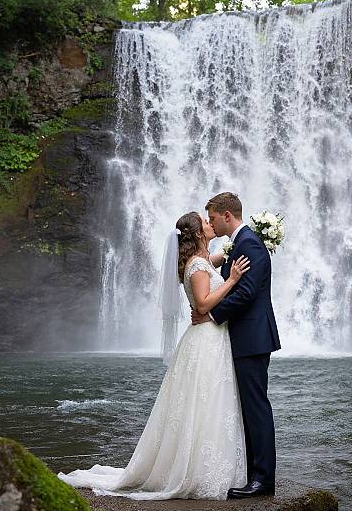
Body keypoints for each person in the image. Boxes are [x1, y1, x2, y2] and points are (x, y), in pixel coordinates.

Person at [58, 211, 250, 500]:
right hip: (206, 338)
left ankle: (203, 465)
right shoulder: (197, 265)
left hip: (209, 339)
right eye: (207, 223)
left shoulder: (199, 261)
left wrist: (239, 245)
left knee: (206, 402)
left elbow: (215, 260)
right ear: (198, 233)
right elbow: (202, 305)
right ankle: (196, 470)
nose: (212, 225)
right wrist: (233, 280)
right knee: (205, 400)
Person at [192, 192, 281, 499]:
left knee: (256, 408)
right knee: (249, 407)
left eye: (214, 218)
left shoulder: (250, 244)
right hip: (246, 337)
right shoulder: (241, 244)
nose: (211, 224)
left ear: (227, 216)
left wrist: (210, 314)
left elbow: (245, 294)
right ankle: (254, 474)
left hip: (253, 338)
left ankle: (263, 480)